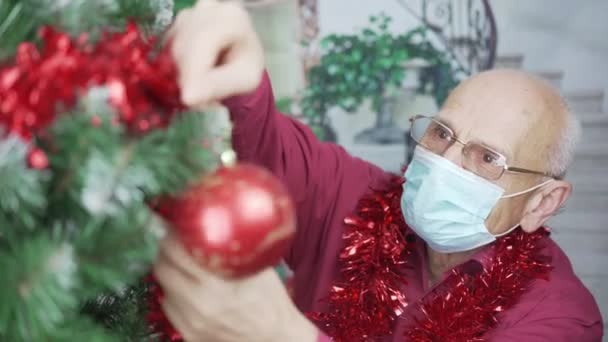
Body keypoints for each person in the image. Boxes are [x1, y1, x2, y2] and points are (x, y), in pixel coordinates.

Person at [153, 1, 604, 341]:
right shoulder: (355, 196)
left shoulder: (561, 317)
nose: (445, 162)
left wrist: (286, 335)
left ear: (542, 202)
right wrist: (238, 72)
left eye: (487, 158)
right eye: (442, 133)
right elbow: (266, 149)